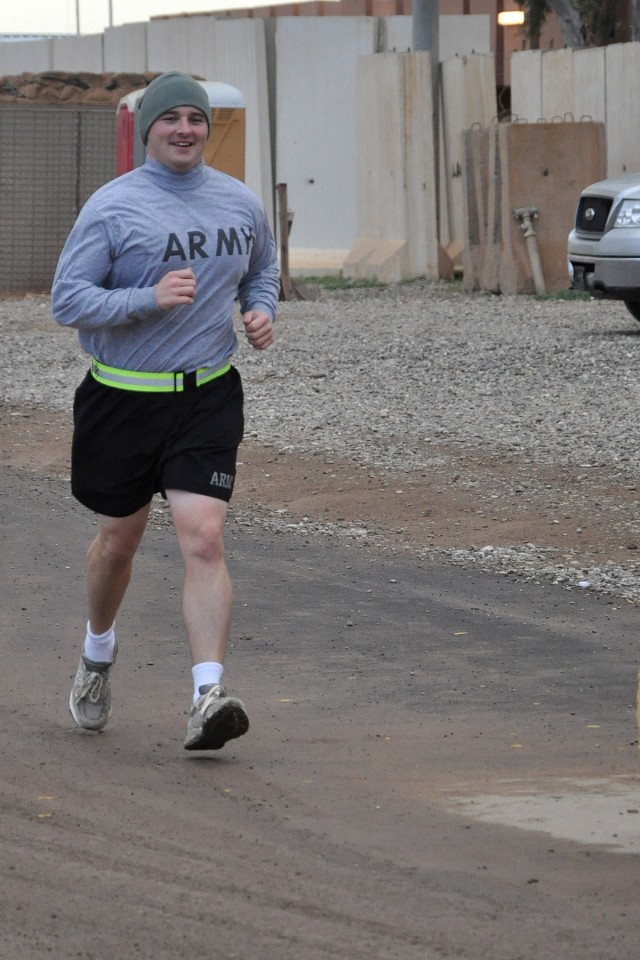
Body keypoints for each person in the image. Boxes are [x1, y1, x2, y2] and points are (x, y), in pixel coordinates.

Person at [51, 71, 280, 751]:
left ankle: (207, 696)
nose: (184, 129)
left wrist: (260, 309)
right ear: (148, 128)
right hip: (121, 397)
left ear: (208, 128)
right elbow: (68, 300)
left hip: (206, 395)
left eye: (195, 118)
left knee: (203, 536)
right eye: (170, 118)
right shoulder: (113, 207)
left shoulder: (239, 203)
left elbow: (262, 268)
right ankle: (97, 655)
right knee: (119, 542)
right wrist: (145, 298)